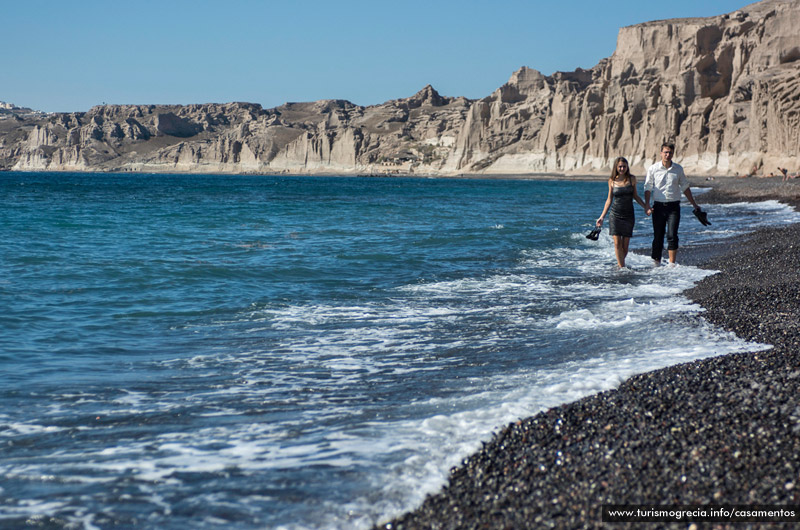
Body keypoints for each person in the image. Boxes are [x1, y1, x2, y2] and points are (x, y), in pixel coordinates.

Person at [644, 143, 703, 266]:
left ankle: (672, 264)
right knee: (658, 236)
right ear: (661, 153)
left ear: (673, 154)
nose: (667, 155)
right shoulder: (653, 169)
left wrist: (694, 204)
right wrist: (647, 205)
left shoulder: (678, 169)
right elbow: (648, 187)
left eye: (670, 152)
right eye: (665, 152)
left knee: (672, 235)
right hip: (658, 207)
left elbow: (685, 187)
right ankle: (656, 263)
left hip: (673, 207)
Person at [596, 157, 651, 268]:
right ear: (616, 167)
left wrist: (646, 207)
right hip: (615, 215)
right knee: (617, 243)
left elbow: (635, 196)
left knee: (625, 246)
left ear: (627, 167)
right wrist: (602, 217)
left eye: (624, 166)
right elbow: (609, 200)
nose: (622, 168)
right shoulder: (612, 180)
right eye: (620, 166)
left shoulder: (632, 179)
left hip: (629, 215)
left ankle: (620, 264)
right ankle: (622, 268)